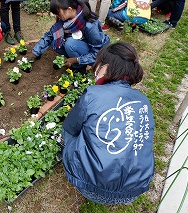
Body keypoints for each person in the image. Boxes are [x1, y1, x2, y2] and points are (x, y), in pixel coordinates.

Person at [62, 42, 155, 205]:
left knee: (69, 133)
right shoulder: (143, 100)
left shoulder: (93, 94)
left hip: (91, 188)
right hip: (133, 191)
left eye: (97, 65)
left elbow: (71, 127)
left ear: (105, 67)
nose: (94, 69)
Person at [27, 0, 110, 72]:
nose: (57, 17)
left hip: (93, 51)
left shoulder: (90, 25)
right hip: (79, 44)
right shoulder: (65, 20)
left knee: (70, 44)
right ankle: (73, 56)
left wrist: (76, 60)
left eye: (59, 14)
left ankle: (81, 67)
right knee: (54, 40)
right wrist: (35, 52)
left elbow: (98, 52)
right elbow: (49, 35)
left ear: (69, 9)